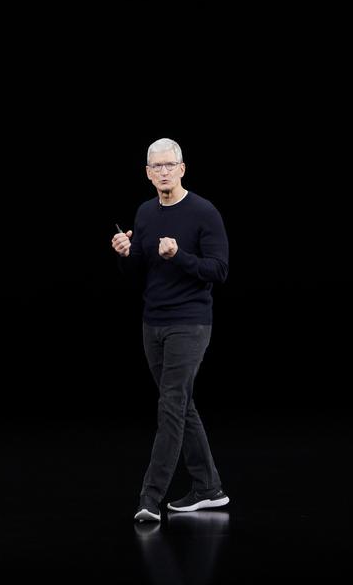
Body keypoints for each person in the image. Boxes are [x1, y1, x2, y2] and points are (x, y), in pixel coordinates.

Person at [111, 137, 230, 522]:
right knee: (181, 406)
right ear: (148, 174)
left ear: (182, 169)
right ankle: (208, 489)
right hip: (153, 323)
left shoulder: (203, 212)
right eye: (156, 167)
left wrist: (180, 256)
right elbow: (139, 270)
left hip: (191, 323)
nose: (163, 172)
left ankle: (149, 498)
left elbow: (218, 270)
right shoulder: (145, 213)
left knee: (170, 408)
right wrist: (125, 254)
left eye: (169, 165)